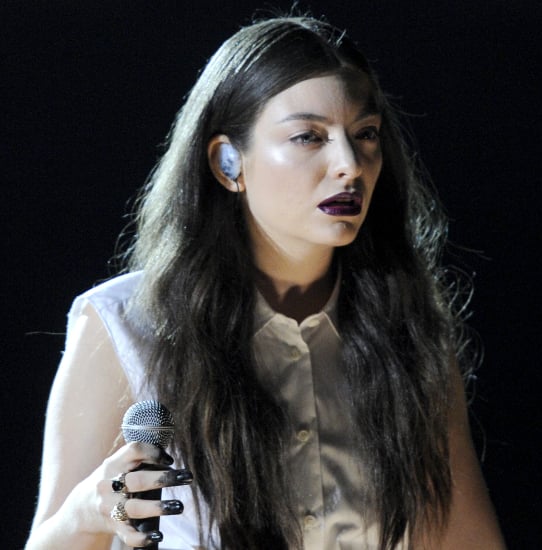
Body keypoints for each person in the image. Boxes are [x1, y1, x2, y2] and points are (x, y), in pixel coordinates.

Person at [25, 14, 506, 550]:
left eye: (365, 135)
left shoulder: (410, 332)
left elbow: (465, 537)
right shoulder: (125, 326)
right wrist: (92, 508)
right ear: (228, 162)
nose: (349, 164)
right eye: (309, 137)